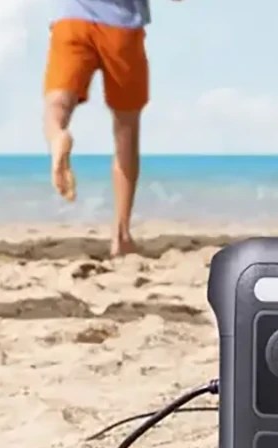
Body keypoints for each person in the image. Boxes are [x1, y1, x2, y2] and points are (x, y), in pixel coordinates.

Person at [42, 0, 181, 257]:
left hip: (71, 20)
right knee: (126, 129)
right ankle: (121, 235)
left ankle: (58, 135)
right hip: (121, 27)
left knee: (57, 105)